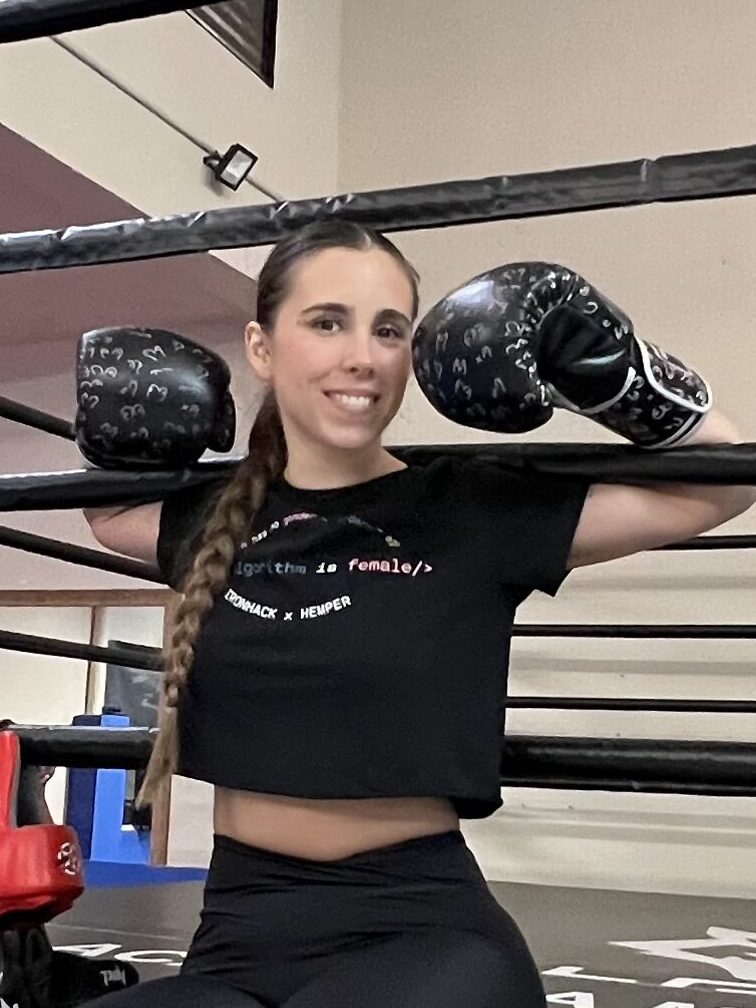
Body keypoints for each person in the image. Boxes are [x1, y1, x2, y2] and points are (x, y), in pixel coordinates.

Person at [81, 222, 753, 1007]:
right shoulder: (208, 516)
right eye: (327, 322)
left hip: (419, 932)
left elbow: (722, 484)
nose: (363, 356)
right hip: (236, 933)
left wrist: (621, 377)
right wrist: (125, 430)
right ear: (261, 348)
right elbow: (109, 509)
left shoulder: (470, 507)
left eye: (389, 329)